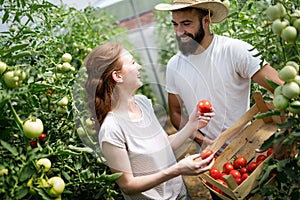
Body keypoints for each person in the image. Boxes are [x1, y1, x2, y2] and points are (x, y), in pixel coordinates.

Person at [155, 0, 284, 199]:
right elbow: (175, 113)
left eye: (187, 24)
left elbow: (281, 89)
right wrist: (203, 140)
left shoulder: (235, 51)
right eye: (175, 24)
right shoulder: (175, 66)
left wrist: (281, 135)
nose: (179, 31)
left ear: (206, 21)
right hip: (211, 162)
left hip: (247, 152)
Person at [84, 42, 216, 200]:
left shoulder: (143, 103)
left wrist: (192, 125)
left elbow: (163, 145)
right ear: (117, 76)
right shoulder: (112, 129)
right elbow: (127, 185)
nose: (139, 67)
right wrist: (177, 169)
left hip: (180, 194)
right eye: (133, 63)